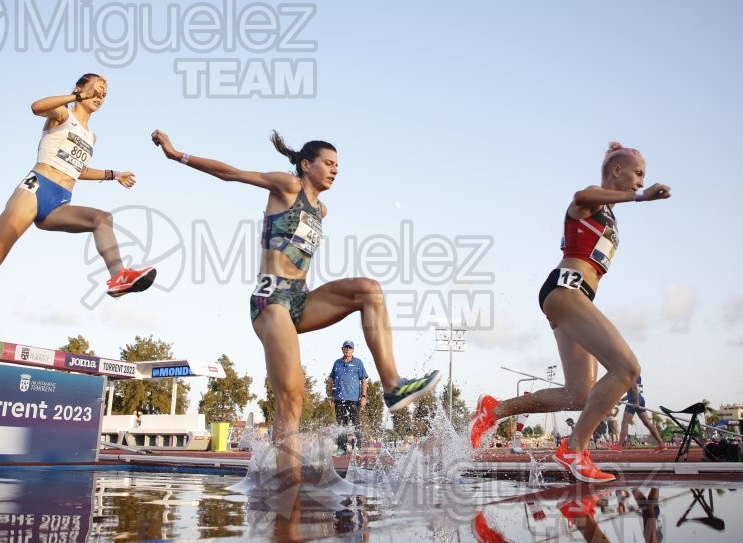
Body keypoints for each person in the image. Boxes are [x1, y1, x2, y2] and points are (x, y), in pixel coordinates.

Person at [151, 128, 441, 484]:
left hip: (301, 299)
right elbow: (231, 173)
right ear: (306, 165)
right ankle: (284, 481)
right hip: (271, 301)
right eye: (328, 163)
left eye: (338, 165)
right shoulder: (287, 187)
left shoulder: (322, 209)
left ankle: (393, 386)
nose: (335, 170)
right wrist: (176, 153)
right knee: (292, 397)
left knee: (369, 290)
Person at [468, 142, 671, 482]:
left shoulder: (609, 212)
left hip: (576, 297)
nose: (640, 181)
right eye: (637, 173)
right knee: (627, 368)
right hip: (566, 290)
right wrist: (641, 198)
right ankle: (574, 449)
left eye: (643, 178)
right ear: (616, 170)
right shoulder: (591, 202)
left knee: (579, 394)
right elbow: (582, 194)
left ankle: (495, 409)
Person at [0, 73, 156, 299]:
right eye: (94, 91)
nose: (99, 96)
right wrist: (76, 97)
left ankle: (119, 276)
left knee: (102, 219)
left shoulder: (91, 137)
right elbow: (36, 107)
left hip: (61, 202)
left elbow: (78, 170)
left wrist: (114, 175)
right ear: (79, 89)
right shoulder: (62, 114)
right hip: (34, 190)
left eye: (103, 94)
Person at [328, 340, 369, 456]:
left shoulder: (358, 363)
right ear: (342, 349)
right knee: (341, 425)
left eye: (350, 348)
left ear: (353, 350)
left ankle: (358, 448)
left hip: (354, 399)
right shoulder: (337, 363)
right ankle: (342, 449)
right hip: (339, 399)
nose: (347, 350)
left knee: (356, 423)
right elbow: (332, 381)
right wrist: (330, 397)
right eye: (346, 348)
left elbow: (363, 381)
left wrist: (364, 396)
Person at [611, 376, 668, 452]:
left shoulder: (630, 374)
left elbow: (634, 387)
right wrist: (621, 400)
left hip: (634, 400)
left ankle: (619, 446)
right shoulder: (638, 375)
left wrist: (636, 402)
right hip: (640, 399)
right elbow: (635, 391)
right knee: (647, 423)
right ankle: (661, 444)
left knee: (625, 422)